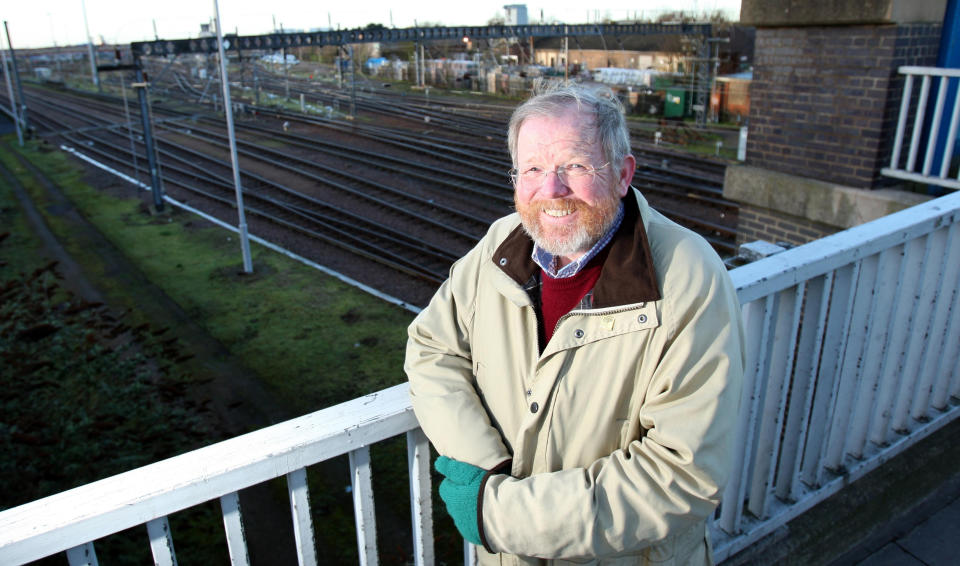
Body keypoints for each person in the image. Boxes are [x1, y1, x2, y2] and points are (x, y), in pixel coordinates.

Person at [404, 81, 745, 565]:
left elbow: (684, 475)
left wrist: (499, 513)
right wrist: (486, 467)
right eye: (534, 169)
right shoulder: (502, 243)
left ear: (623, 174)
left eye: (576, 166)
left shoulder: (689, 275)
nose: (552, 190)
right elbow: (431, 346)